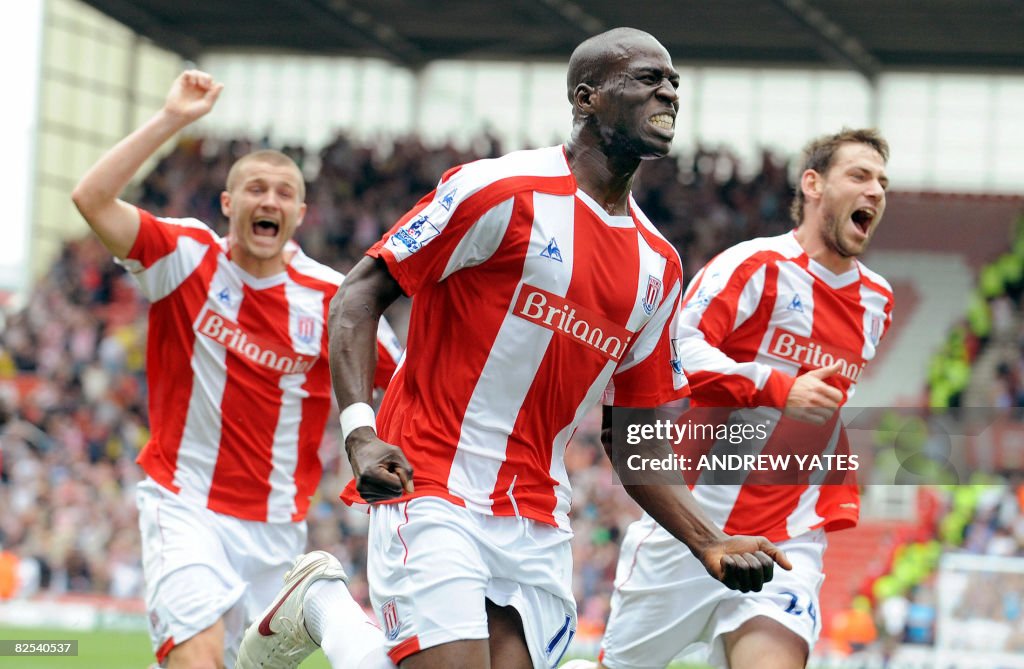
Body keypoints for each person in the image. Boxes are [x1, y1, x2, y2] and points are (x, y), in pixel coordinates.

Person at [238, 27, 790, 669]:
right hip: (431, 478)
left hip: (536, 515)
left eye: (673, 80)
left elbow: (631, 435)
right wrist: (360, 433)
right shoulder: (499, 191)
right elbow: (358, 295)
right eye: (646, 77)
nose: (668, 90)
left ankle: (320, 605)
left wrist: (707, 540)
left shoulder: (659, 266)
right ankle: (325, 611)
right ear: (586, 98)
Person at [71, 70, 402, 669]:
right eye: (254, 189)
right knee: (199, 661)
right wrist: (173, 120)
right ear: (229, 203)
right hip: (186, 506)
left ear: (299, 212)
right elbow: (91, 199)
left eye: (281, 192)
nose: (267, 201)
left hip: (279, 533)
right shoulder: (184, 257)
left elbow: (409, 386)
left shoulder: (334, 300)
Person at [584, 128, 894, 669]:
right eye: (860, 176)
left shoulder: (877, 301)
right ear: (813, 184)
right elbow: (676, 346)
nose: (875, 191)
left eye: (883, 182)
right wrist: (777, 388)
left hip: (788, 533)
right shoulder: (755, 266)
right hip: (692, 524)